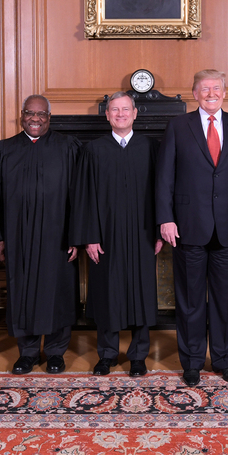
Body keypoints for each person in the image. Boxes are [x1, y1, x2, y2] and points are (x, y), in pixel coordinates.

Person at [156, 69, 228, 386]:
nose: (211, 93)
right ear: (195, 93)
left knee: (225, 299)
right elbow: (164, 178)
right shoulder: (178, 126)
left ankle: (223, 360)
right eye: (205, 89)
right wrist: (166, 218)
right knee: (189, 299)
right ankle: (191, 362)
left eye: (216, 88)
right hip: (188, 226)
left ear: (224, 93)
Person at [0, 95, 81, 375]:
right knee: (22, 293)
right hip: (18, 237)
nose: (35, 119)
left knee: (58, 294)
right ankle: (27, 353)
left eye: (41, 114)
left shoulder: (68, 148)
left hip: (58, 238)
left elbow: (79, 196)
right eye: (29, 113)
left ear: (50, 117)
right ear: (21, 115)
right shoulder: (3, 150)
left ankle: (56, 353)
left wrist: (76, 236)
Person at [70, 92, 161, 377]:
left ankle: (138, 355)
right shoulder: (93, 150)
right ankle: (107, 354)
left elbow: (162, 193)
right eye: (114, 110)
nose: (120, 114)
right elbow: (83, 196)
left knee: (141, 291)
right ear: (107, 115)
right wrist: (90, 236)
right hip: (105, 234)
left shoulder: (151, 147)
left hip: (143, 232)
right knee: (107, 292)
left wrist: (160, 230)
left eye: (125, 109)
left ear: (135, 113)